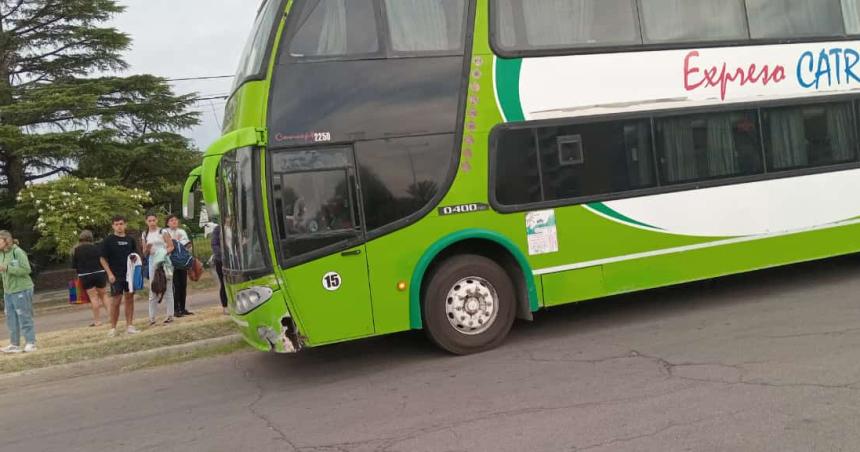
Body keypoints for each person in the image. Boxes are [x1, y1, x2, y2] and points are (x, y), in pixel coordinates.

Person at [100, 215, 141, 337]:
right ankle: (113, 328)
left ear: (125, 225)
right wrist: (109, 274)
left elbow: (135, 256)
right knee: (116, 301)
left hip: (129, 275)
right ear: (113, 226)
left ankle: (129, 326)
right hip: (116, 275)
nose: (119, 226)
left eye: (121, 224)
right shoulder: (108, 240)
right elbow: (102, 258)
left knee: (129, 298)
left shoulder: (130, 240)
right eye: (117, 224)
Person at [0, 231, 36, 353]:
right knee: (11, 318)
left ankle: (31, 343)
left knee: (24, 316)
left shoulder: (18, 252)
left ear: (6, 240)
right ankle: (14, 344)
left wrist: (8, 268)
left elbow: (26, 270)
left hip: (22, 289)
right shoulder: (1, 254)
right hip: (8, 291)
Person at [143, 214, 175, 325]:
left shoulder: (163, 232)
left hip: (165, 260)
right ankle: (152, 318)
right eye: (149, 220)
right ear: (146, 222)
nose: (152, 222)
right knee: (153, 288)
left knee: (168, 288)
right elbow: (144, 252)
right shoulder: (145, 234)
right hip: (152, 261)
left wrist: (163, 253)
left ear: (156, 221)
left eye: (153, 220)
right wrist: (147, 248)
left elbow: (171, 246)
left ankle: (170, 315)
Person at [72, 230, 109, 327]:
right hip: (99, 273)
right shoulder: (97, 248)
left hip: (85, 275)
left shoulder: (77, 250)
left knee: (93, 298)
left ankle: (97, 321)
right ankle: (112, 316)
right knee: (104, 296)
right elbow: (102, 260)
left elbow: (74, 265)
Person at [166, 215, 193, 317]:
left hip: (182, 261)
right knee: (175, 285)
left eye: (175, 220)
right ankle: (175, 309)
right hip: (172, 262)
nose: (174, 222)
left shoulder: (182, 231)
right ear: (168, 223)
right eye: (171, 220)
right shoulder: (165, 232)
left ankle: (183, 307)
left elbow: (187, 245)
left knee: (183, 285)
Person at [210, 224, 227, 315]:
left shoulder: (235, 226)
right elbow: (214, 244)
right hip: (221, 260)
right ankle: (225, 306)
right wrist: (223, 255)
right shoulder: (218, 229)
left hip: (234, 259)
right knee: (223, 283)